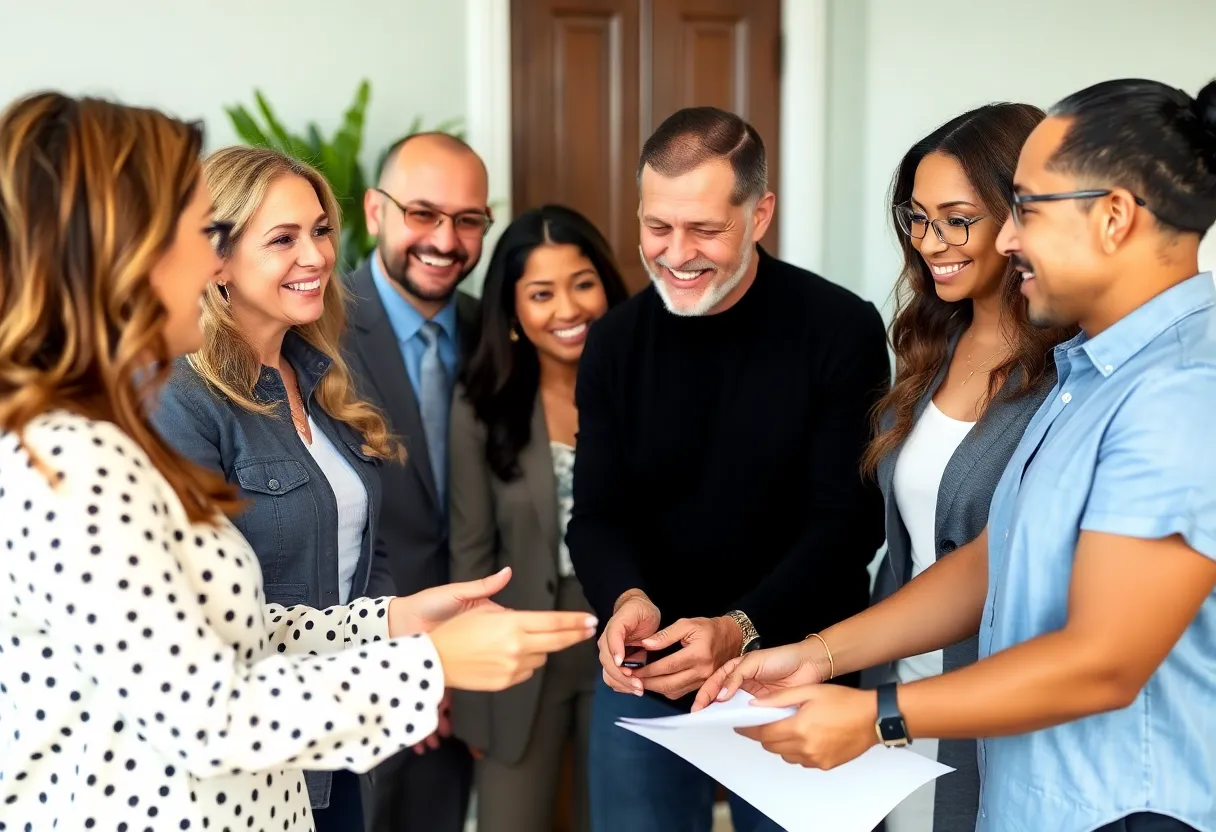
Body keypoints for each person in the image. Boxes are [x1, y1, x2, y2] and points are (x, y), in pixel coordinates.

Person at [0, 91, 597, 832]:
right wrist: (428, 664)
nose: (210, 254)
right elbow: (208, 715)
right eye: (202, 229)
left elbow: (226, 633)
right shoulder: (74, 460)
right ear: (125, 248)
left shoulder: (100, 436)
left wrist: (391, 621)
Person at [697, 78, 1216, 832]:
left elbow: (1104, 660)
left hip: (1124, 813)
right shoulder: (1091, 376)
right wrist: (819, 654)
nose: (1007, 239)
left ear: (1113, 217)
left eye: (1028, 209)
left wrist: (877, 716)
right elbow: (990, 557)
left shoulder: (1180, 392)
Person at [567, 106, 890, 832]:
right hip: (652, 669)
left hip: (802, 660)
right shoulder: (615, 342)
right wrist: (624, 600)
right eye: (657, 226)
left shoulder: (838, 327)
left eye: (705, 229)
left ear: (760, 213)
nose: (676, 253)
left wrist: (742, 626)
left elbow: (848, 520)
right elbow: (597, 513)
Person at [150, 145, 402, 829]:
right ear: (217, 260)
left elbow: (365, 549)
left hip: (341, 733)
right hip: (243, 761)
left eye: (321, 230)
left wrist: (394, 656)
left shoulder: (323, 377)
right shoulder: (182, 399)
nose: (318, 256)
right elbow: (198, 620)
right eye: (283, 238)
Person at [860, 103, 1075, 832]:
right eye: (917, 218)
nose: (931, 243)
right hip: (893, 688)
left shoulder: (1072, 374)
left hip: (994, 710)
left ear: (1022, 217)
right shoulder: (930, 346)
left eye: (957, 218)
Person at [449, 205, 630, 832]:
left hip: (629, 647)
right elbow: (469, 554)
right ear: (513, 309)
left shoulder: (645, 389)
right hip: (517, 651)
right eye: (541, 293)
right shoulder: (482, 403)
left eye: (582, 283)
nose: (568, 309)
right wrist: (470, 697)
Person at [344, 131, 489, 832]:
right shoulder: (314, 327)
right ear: (376, 211)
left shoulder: (496, 331)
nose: (445, 239)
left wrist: (455, 669)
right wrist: (408, 668)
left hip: (469, 672)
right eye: (423, 213)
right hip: (348, 671)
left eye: (468, 220)